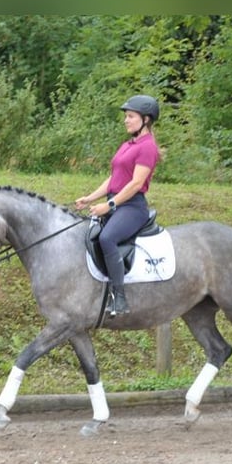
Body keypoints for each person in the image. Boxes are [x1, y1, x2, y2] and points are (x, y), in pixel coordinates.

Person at [75, 94, 161, 317]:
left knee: (107, 238)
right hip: (118, 202)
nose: (126, 120)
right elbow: (114, 179)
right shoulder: (127, 145)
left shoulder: (147, 147)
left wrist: (109, 205)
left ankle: (119, 297)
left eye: (130, 116)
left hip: (132, 207)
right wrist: (90, 198)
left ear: (146, 120)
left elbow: (136, 183)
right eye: (126, 116)